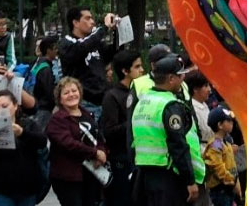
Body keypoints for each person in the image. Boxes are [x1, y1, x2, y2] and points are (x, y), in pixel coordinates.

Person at [129, 56, 202, 206]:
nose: (183, 79)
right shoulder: (169, 105)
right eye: (180, 75)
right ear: (170, 78)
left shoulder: (143, 102)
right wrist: (190, 180)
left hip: (145, 176)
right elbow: (178, 145)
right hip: (168, 177)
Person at [0, 91, 45, 206]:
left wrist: (22, 133)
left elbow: (42, 142)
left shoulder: (27, 124)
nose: (1, 111)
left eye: (5, 106)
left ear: (16, 106)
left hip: (27, 189)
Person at [47, 76, 106, 206]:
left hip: (91, 174)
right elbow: (68, 143)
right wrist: (94, 153)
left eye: (74, 90)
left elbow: (98, 137)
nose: (71, 95)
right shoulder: (57, 120)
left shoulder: (87, 114)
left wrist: (101, 151)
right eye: (66, 93)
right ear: (60, 98)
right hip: (68, 177)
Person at [99, 49, 141, 206]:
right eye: (137, 67)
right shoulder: (113, 96)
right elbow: (110, 131)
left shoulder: (140, 92)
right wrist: (134, 121)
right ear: (125, 71)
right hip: (121, 160)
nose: (142, 70)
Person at [60, 8, 121, 106]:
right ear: (75, 23)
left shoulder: (95, 43)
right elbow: (82, 47)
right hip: (83, 103)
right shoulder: (67, 43)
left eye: (92, 18)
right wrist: (104, 28)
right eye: (87, 18)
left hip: (103, 100)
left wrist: (117, 30)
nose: (92, 22)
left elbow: (112, 53)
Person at [201, 109, 239, 206]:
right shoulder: (216, 143)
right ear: (220, 125)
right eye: (229, 121)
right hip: (221, 190)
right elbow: (218, 167)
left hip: (228, 187)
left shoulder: (225, 142)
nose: (232, 123)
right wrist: (232, 181)